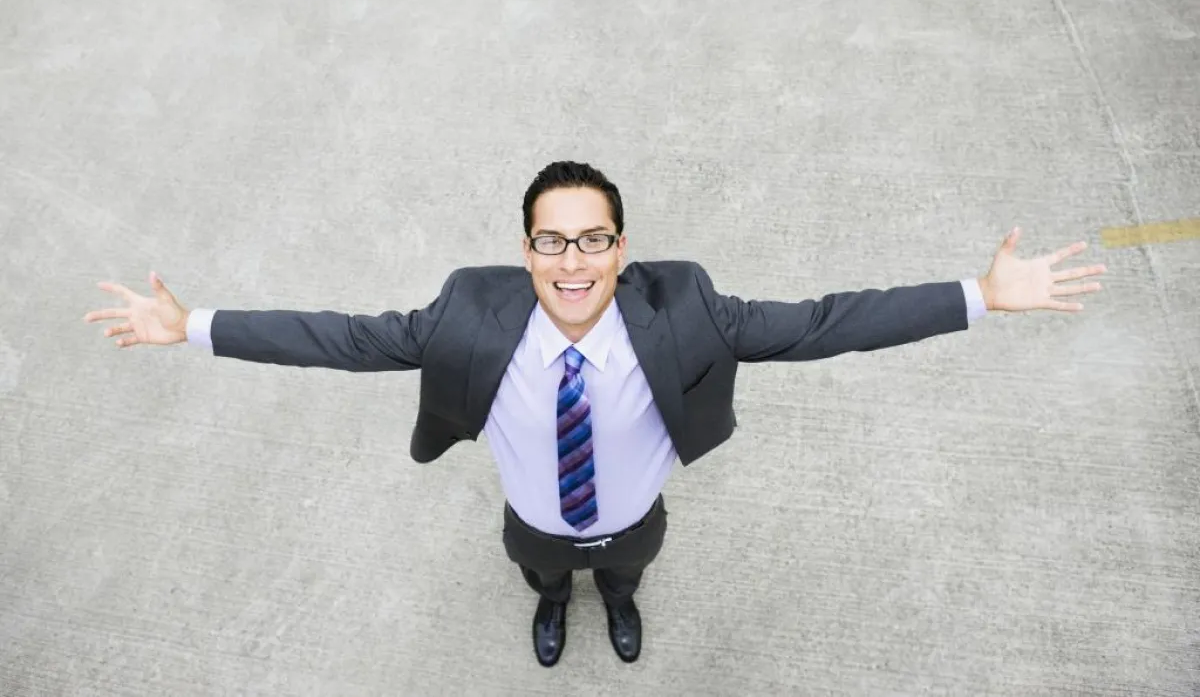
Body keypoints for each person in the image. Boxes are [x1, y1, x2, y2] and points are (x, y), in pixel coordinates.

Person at [83, 160, 1106, 667]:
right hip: (533, 517)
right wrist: (193, 325)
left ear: (621, 248)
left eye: (593, 239)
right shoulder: (466, 316)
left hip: (635, 515)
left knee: (625, 566)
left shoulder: (691, 309)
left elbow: (826, 322)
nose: (572, 261)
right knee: (541, 565)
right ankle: (548, 598)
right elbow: (340, 338)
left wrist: (980, 297)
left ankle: (615, 599)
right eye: (551, 240)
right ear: (525, 250)